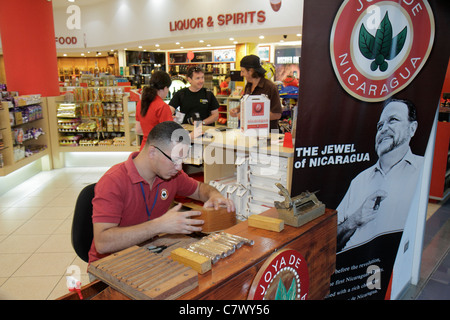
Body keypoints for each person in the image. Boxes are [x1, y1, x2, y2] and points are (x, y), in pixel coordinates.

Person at [88, 121, 235, 263]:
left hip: (145, 254)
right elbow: (102, 243)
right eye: (175, 159)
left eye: (182, 160)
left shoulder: (171, 175)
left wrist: (214, 195)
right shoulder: (113, 181)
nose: (179, 168)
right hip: (108, 264)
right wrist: (159, 225)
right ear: (152, 152)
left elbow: (200, 189)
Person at [336, 98, 424, 252]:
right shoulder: (360, 180)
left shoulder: (422, 170)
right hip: (354, 267)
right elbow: (331, 238)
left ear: (412, 128)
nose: (383, 129)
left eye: (393, 120)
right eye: (380, 126)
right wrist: (354, 220)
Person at [229, 54, 282, 131]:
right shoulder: (248, 85)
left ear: (250, 71)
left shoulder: (270, 87)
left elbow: (277, 114)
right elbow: (245, 103)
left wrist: (248, 116)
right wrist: (237, 109)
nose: (241, 74)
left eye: (242, 71)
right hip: (249, 132)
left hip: (267, 134)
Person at [135, 71, 174, 151]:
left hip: (144, 150)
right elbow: (170, 136)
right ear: (165, 88)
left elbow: (138, 129)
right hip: (158, 152)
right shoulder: (162, 107)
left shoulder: (141, 103)